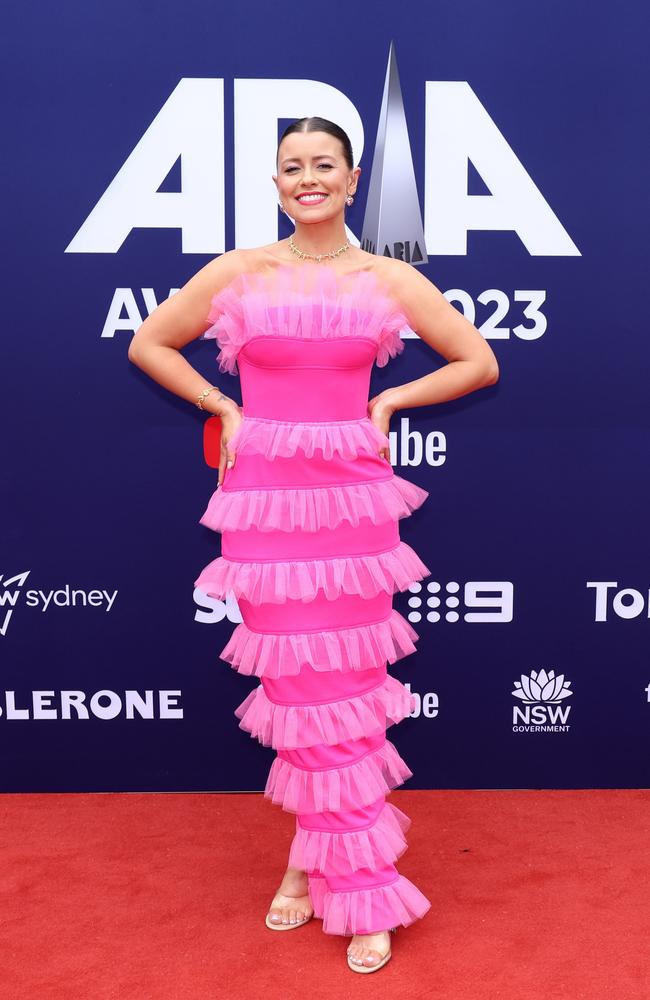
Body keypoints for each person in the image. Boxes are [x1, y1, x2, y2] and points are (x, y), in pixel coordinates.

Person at [128, 116, 499, 974]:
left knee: (347, 693)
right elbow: (150, 342)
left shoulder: (387, 278)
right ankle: (314, 854)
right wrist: (223, 411)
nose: (308, 178)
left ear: (352, 178)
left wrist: (388, 404)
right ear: (276, 182)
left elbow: (476, 362)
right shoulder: (239, 272)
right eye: (292, 166)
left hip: (353, 507)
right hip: (262, 502)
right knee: (301, 694)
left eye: (323, 164)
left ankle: (355, 883)